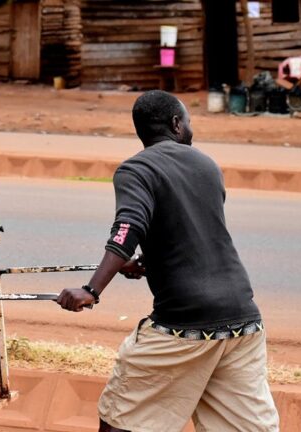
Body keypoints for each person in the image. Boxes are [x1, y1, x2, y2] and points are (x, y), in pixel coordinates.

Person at [56, 90, 279, 432]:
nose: (190, 128)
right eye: (189, 121)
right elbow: (191, 232)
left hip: (185, 325)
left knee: (120, 420)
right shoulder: (206, 165)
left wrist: (92, 289)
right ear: (176, 124)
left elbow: (128, 226)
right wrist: (148, 260)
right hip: (243, 321)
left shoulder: (137, 169)